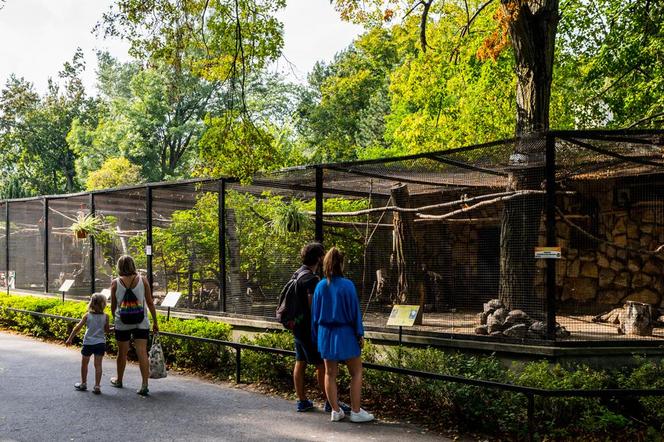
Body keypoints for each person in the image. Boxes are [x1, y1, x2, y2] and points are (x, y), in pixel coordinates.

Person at [311, 247, 374, 423]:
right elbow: (355, 313)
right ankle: (355, 411)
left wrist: (316, 336)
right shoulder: (348, 285)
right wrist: (359, 333)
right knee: (356, 372)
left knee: (330, 373)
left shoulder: (320, 286)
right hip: (345, 332)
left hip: (325, 333)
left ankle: (335, 410)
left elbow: (314, 315)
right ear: (342, 263)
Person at [290, 242, 351, 414]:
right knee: (322, 366)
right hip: (309, 330)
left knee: (300, 362)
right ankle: (331, 403)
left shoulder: (297, 274)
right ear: (318, 258)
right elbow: (314, 307)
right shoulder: (312, 279)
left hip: (297, 328)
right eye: (323, 254)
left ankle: (302, 401)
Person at [109, 255, 159, 396]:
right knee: (142, 352)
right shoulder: (142, 280)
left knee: (122, 353)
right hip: (141, 322)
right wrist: (155, 322)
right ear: (133, 265)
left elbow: (113, 306)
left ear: (119, 266)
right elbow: (149, 302)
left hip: (122, 323)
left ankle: (119, 380)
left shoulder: (115, 283)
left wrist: (116, 320)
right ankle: (144, 384)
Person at [66, 293, 111, 394]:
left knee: (84, 364)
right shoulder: (106, 317)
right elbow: (107, 330)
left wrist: (70, 339)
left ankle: (83, 383)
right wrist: (115, 328)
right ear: (103, 304)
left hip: (88, 343)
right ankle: (97, 386)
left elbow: (77, 328)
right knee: (98, 365)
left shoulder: (87, 316)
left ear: (91, 303)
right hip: (100, 343)